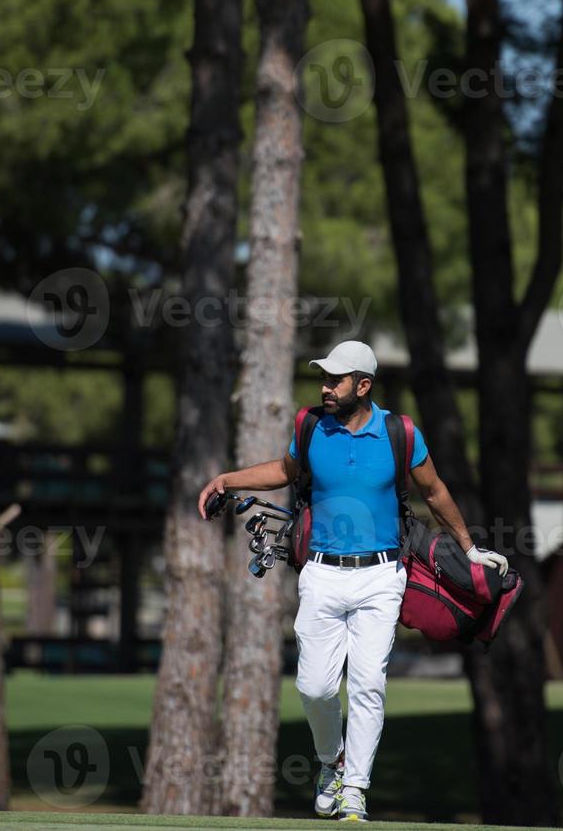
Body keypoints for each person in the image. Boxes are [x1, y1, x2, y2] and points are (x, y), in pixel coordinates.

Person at [197, 339, 507, 822]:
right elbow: (284, 470)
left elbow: (435, 491)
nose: (325, 386)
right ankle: (331, 762)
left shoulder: (400, 433)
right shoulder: (310, 426)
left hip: (383, 576)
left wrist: (469, 549)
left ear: (363, 385)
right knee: (316, 687)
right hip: (320, 573)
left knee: (367, 685)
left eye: (335, 379)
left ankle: (356, 790)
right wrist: (226, 479)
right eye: (323, 378)